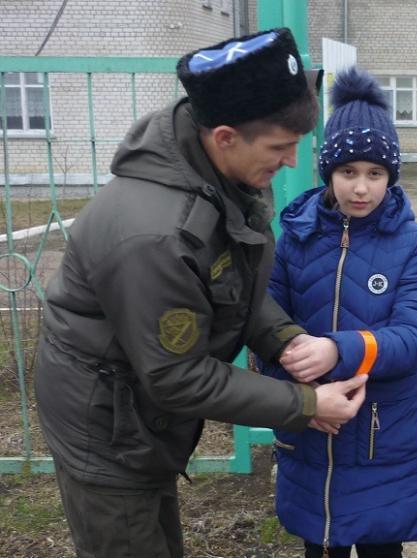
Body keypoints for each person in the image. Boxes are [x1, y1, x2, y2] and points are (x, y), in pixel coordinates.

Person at [34, 28, 367, 558]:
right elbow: (176, 375)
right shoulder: (157, 235)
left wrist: (281, 338)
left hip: (138, 416)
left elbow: (230, 285)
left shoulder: (211, 175)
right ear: (227, 137)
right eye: (280, 147)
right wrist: (305, 404)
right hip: (107, 427)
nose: (290, 161)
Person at [258, 66, 417, 558]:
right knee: (318, 545)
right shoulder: (294, 239)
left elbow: (415, 334)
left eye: (375, 174)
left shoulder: (415, 245)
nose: (360, 188)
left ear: (391, 176)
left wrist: (335, 351)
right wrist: (300, 400)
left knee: (383, 548)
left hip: (384, 438)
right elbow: (265, 327)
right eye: (348, 172)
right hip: (312, 435)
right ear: (328, 172)